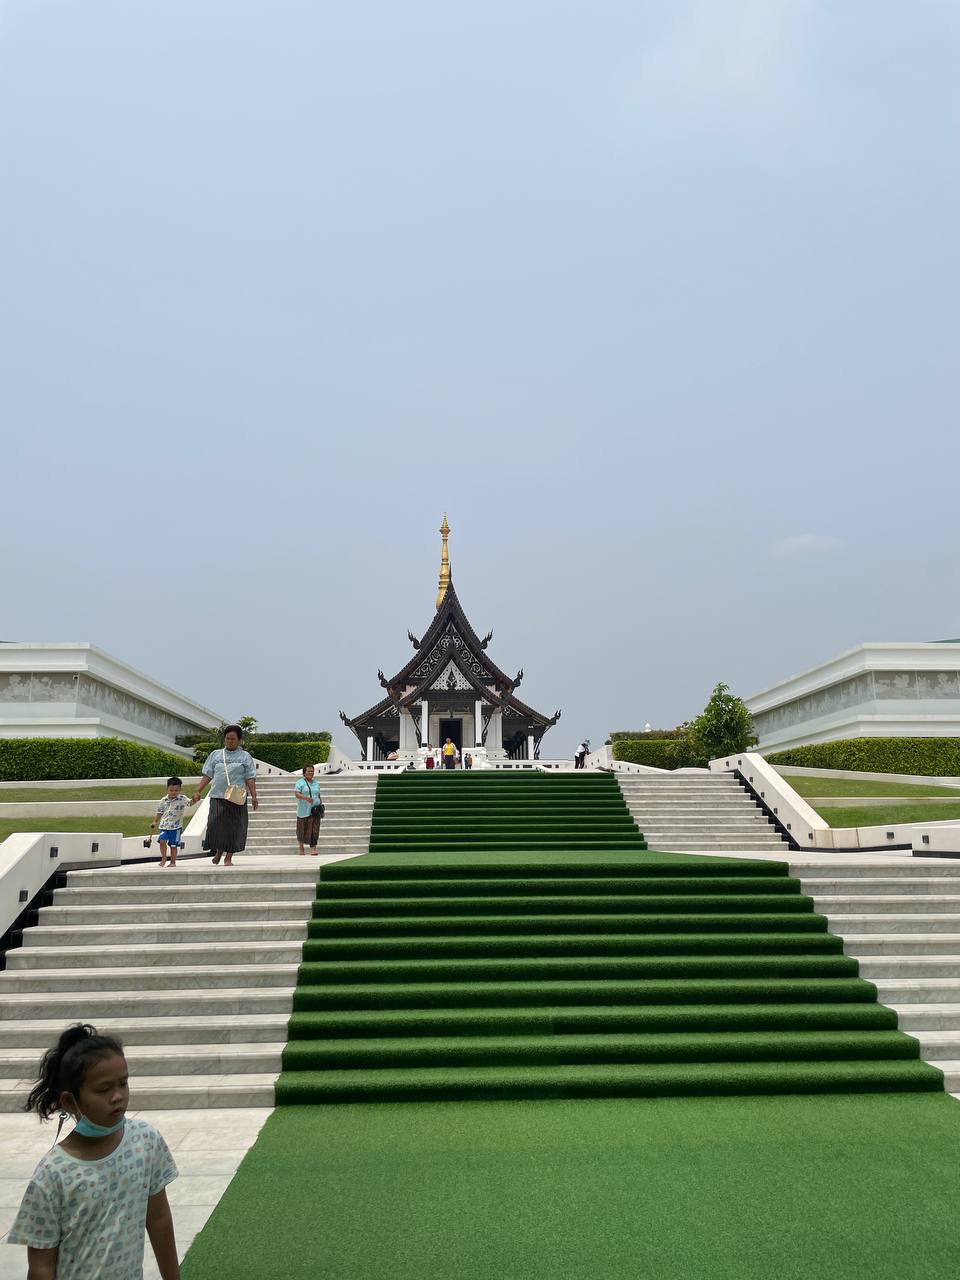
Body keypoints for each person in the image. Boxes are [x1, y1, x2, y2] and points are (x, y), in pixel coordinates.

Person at [9, 1023, 180, 1280]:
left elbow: (158, 1219)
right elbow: (42, 1265)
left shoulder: (146, 1141)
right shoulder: (53, 1174)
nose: (117, 1096)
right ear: (69, 1101)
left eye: (123, 1084)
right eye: (103, 1090)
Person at [191, 725, 258, 866]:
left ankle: (228, 857)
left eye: (233, 739)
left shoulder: (245, 756)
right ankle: (218, 852)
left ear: (239, 740)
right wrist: (198, 791)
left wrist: (254, 796)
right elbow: (208, 775)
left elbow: (250, 778)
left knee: (234, 827)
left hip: (236, 798)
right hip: (218, 796)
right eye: (227, 739)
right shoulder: (216, 754)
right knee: (216, 826)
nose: (230, 741)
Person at [149, 777, 191, 868]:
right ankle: (164, 858)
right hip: (164, 826)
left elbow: (190, 803)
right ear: (167, 789)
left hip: (176, 828)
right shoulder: (163, 800)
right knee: (162, 841)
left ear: (180, 790)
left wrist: (196, 799)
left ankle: (173, 862)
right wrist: (154, 822)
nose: (173, 792)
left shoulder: (182, 799)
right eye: (171, 790)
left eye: (176, 790)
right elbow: (159, 812)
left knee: (173, 845)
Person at [294, 763, 323, 856]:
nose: (311, 773)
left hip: (315, 810)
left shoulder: (316, 782)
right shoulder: (300, 782)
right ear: (304, 773)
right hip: (303, 810)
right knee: (302, 829)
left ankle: (313, 848)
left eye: (312, 771)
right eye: (309, 771)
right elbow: (297, 794)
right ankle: (301, 847)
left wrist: (321, 806)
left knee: (315, 829)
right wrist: (306, 798)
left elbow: (318, 794)